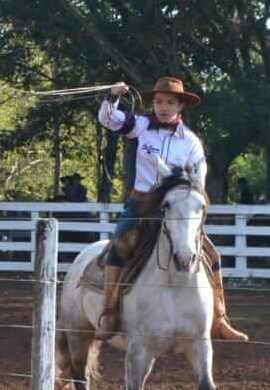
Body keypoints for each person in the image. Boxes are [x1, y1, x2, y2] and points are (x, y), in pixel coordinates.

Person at [96, 76, 247, 342]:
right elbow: (108, 119)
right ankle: (110, 312)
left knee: (211, 253)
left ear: (180, 106)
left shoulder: (190, 141)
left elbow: (198, 179)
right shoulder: (139, 125)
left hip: (177, 207)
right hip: (142, 203)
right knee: (119, 243)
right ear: (153, 103)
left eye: (170, 102)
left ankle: (220, 318)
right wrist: (112, 96)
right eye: (158, 101)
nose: (163, 107)